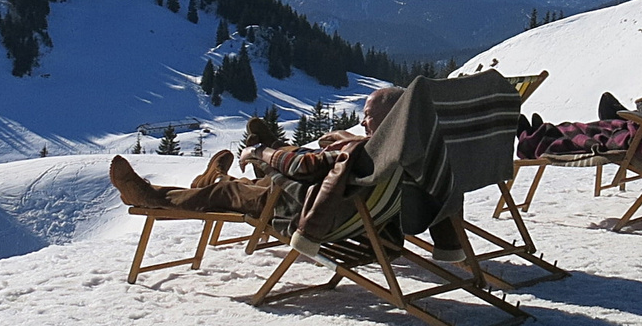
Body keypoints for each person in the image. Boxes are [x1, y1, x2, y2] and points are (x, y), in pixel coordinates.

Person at [108, 86, 465, 257]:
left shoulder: (364, 151)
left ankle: (153, 195)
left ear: (388, 121)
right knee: (269, 177)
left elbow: (306, 167)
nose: (362, 121)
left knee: (230, 195)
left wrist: (260, 150)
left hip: (305, 212)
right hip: (363, 216)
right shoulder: (421, 153)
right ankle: (226, 173)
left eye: (368, 116)